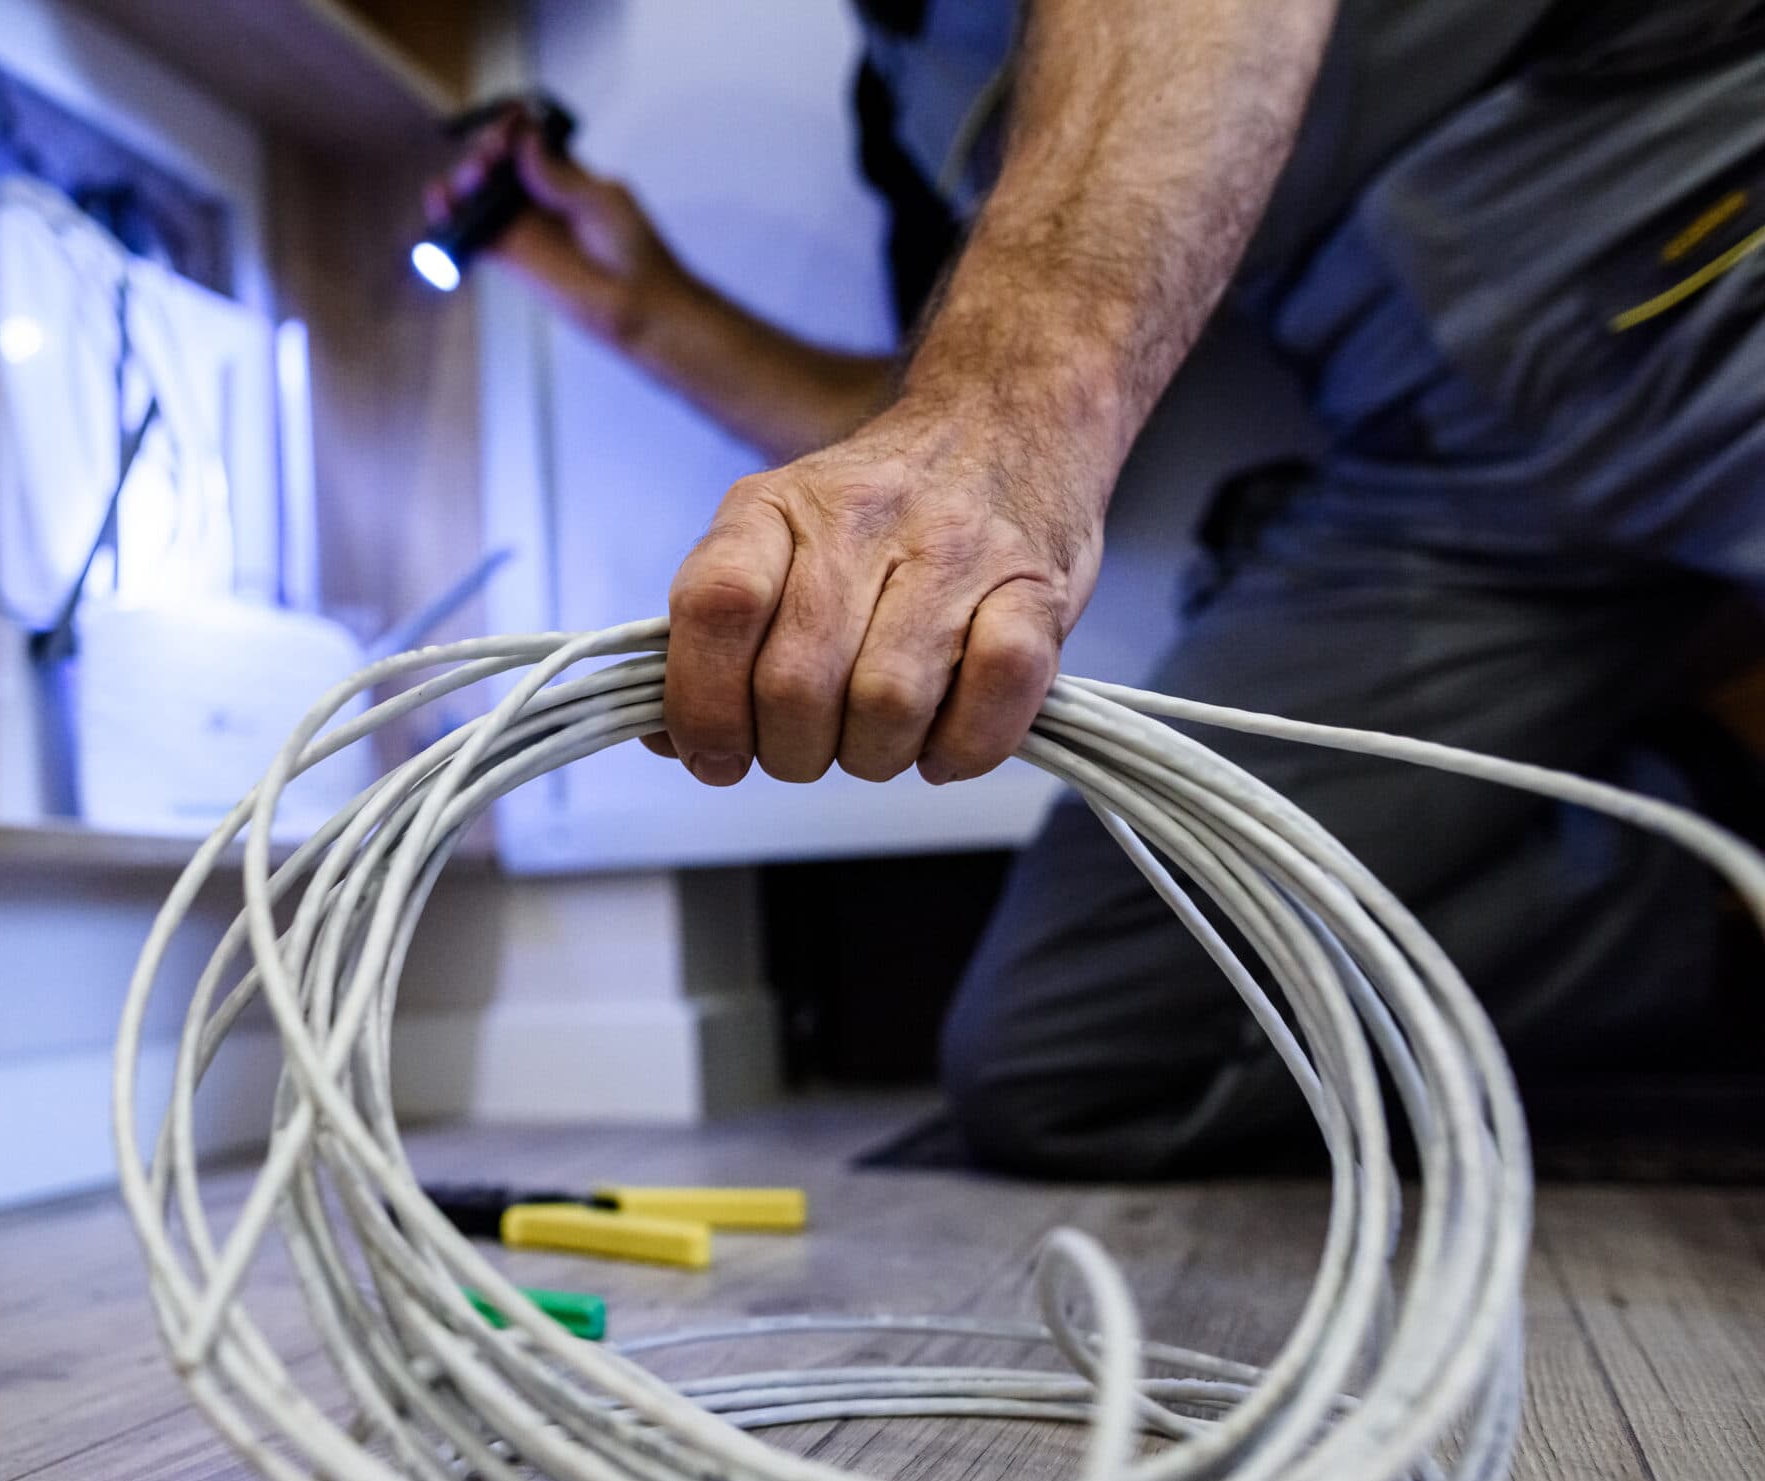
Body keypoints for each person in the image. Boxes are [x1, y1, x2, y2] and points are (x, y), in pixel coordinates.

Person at [431, 0, 1765, 1176]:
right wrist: (637, 307)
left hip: (1700, 224)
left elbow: (994, 405)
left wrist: (1015, 408)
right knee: (1064, 1058)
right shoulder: (902, 95)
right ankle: (1713, 849)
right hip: (1446, 487)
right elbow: (906, 423)